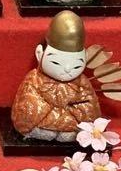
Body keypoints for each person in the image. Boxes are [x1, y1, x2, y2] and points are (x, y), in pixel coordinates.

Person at [10, 11, 101, 141]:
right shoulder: (35, 79)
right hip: (42, 125)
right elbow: (28, 105)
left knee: (72, 134)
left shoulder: (82, 83)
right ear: (39, 54)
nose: (67, 69)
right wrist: (55, 109)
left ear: (85, 57)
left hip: (71, 125)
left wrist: (69, 111)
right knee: (41, 129)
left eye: (76, 65)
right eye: (56, 63)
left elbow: (89, 108)